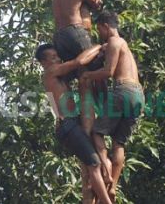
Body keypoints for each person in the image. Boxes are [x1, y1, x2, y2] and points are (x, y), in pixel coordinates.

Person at [36, 43, 113, 204]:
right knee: (94, 164)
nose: (57, 59)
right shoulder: (50, 72)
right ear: (43, 63)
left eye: (57, 56)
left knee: (97, 161)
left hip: (73, 123)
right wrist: (99, 46)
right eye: (53, 57)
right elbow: (78, 62)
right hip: (67, 125)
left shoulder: (60, 76)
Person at [80, 10, 144, 202]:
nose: (100, 34)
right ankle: (113, 186)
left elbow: (108, 72)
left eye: (100, 30)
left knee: (97, 133)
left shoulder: (116, 42)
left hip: (123, 90)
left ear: (106, 27)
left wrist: (87, 76)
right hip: (138, 95)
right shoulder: (124, 46)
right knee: (119, 143)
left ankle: (106, 173)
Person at [52, 0, 104, 134]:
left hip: (59, 35)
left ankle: (70, 115)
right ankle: (104, 104)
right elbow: (95, 5)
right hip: (75, 32)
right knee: (97, 66)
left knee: (74, 74)